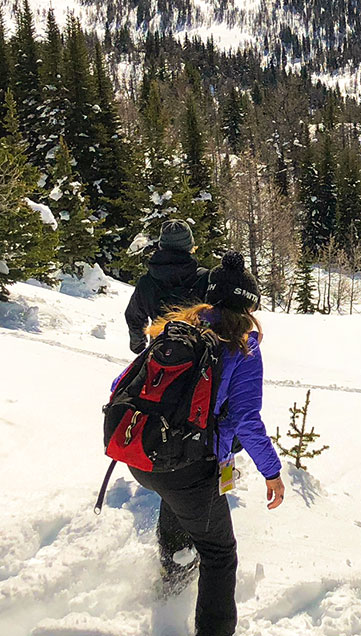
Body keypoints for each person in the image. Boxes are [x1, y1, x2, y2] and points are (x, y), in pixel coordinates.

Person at [130, 251, 285, 636]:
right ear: (249, 306)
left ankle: (171, 585)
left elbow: (125, 385)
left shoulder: (177, 327)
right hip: (189, 466)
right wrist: (273, 471)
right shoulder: (242, 346)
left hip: (144, 454)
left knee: (178, 502)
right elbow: (245, 419)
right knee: (219, 553)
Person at [125, 218, 209, 354]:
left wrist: (138, 344)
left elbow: (134, 316)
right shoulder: (204, 278)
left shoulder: (147, 282)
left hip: (160, 353)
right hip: (197, 354)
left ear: (161, 245)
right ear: (189, 246)